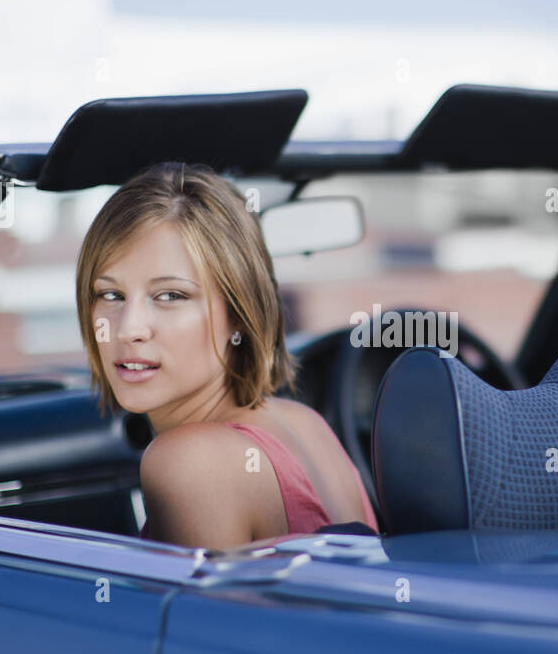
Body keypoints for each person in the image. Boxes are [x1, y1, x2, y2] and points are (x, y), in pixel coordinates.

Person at [75, 162, 377, 550]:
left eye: (170, 296)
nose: (129, 328)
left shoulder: (187, 461)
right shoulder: (306, 423)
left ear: (239, 313)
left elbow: (203, 614)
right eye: (110, 295)